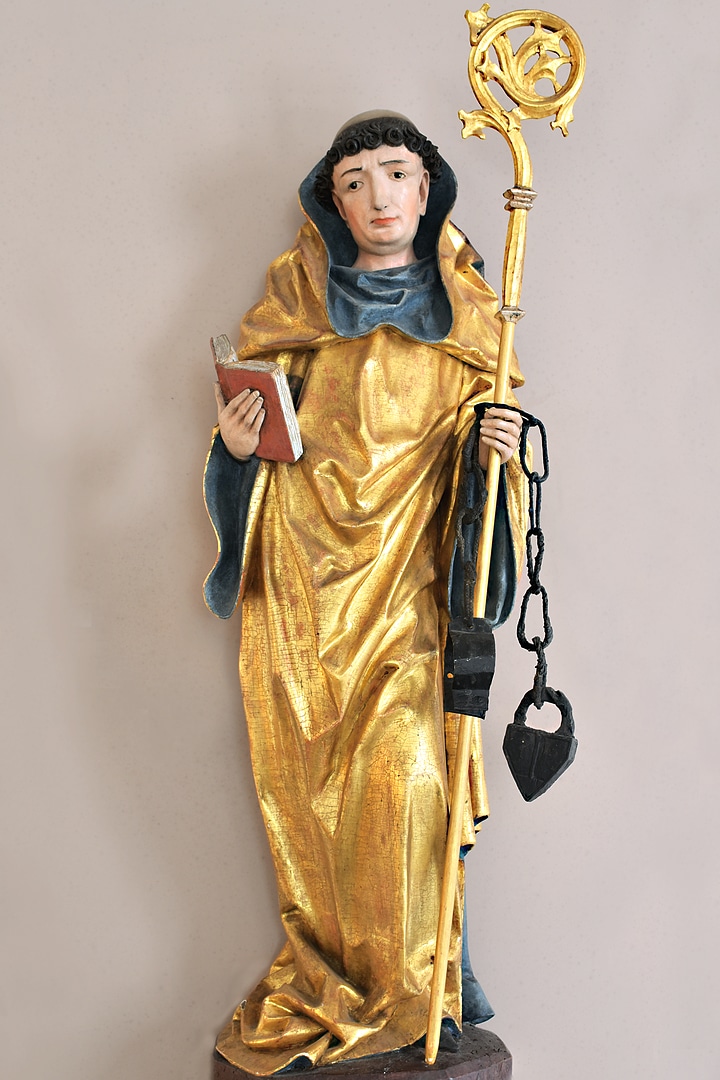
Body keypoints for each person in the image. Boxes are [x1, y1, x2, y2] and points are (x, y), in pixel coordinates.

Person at [204, 112, 527, 1075]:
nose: (378, 195)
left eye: (395, 173)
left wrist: (495, 457)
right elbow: (261, 440)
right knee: (317, 808)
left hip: (409, 599)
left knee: (411, 787)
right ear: (332, 204)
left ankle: (415, 993)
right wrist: (235, 448)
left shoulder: (473, 323)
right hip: (306, 594)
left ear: (426, 192)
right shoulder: (294, 305)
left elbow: (485, 497)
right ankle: (339, 981)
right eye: (354, 181)